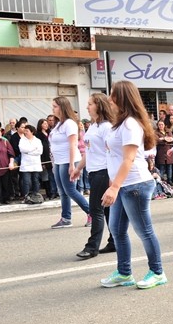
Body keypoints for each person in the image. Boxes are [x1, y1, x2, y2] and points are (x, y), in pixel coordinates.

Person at [100, 81, 166, 289]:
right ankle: (124, 273)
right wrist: (113, 184)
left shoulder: (130, 124)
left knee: (144, 231)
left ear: (122, 97)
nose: (109, 99)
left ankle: (157, 272)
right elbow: (114, 157)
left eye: (113, 95)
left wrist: (114, 187)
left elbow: (128, 159)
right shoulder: (119, 123)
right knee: (117, 230)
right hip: (123, 184)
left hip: (135, 184)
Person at [72, 92, 116, 259]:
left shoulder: (106, 127)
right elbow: (89, 151)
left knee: (96, 210)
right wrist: (78, 168)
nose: (87, 107)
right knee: (107, 211)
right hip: (93, 171)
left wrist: (112, 179)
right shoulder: (93, 126)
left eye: (90, 104)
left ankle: (92, 247)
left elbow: (112, 152)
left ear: (99, 105)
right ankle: (114, 242)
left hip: (103, 172)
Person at [49, 96, 90, 228]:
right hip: (58, 161)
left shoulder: (69, 124)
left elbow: (73, 145)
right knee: (62, 192)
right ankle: (66, 218)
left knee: (70, 190)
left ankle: (92, 213)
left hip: (68, 161)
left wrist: (72, 165)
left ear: (62, 107)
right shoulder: (59, 124)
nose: (53, 109)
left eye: (55, 106)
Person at [18, 124, 43, 202]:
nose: (25, 132)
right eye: (25, 131)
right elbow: (22, 149)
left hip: (35, 164)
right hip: (26, 164)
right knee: (26, 181)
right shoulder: (22, 140)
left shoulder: (38, 140)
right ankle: (26, 197)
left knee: (35, 180)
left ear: (32, 132)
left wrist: (28, 152)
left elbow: (39, 151)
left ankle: (36, 196)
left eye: (27, 131)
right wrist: (33, 149)